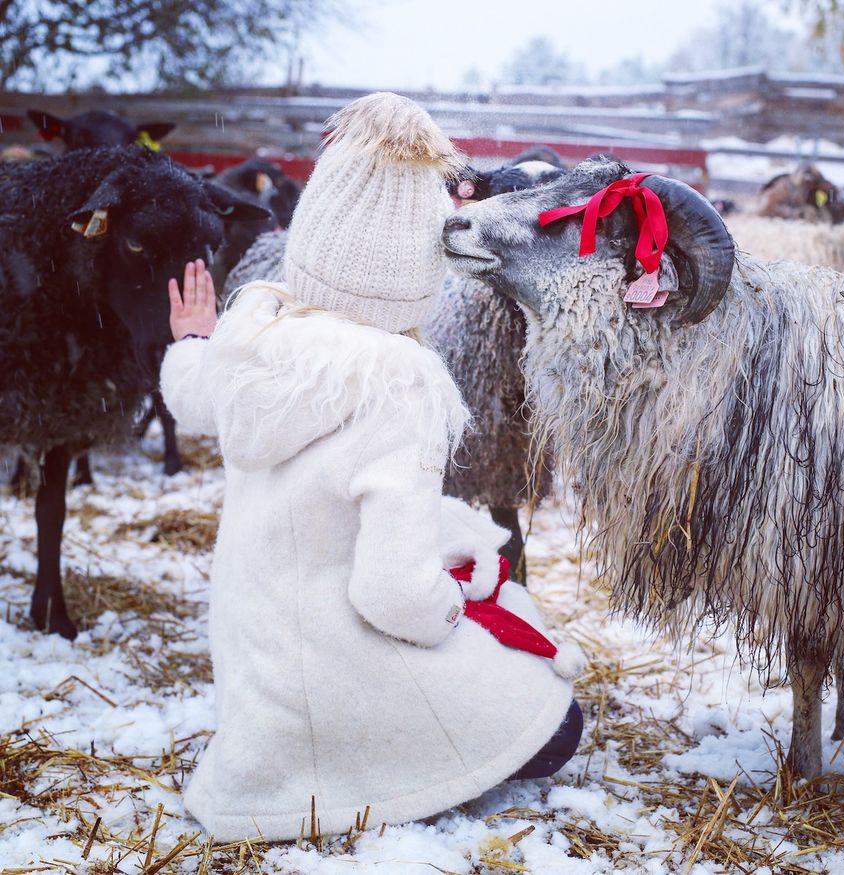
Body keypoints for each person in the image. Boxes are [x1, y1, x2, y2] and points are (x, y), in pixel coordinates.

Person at [160, 92, 584, 842]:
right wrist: (458, 610)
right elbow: (391, 593)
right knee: (555, 718)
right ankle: (380, 769)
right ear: (422, 260)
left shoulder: (254, 331)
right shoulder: (401, 384)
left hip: (256, 685)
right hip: (334, 679)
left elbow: (194, 394)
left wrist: (194, 339)